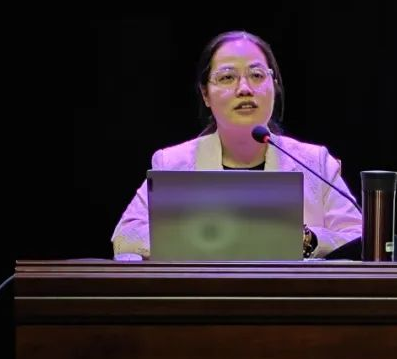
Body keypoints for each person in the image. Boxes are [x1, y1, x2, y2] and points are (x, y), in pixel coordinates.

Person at [111, 31, 362, 259]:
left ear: (274, 86)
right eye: (227, 77)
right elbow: (125, 237)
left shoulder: (314, 162)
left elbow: (360, 237)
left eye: (257, 75)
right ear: (205, 94)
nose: (244, 89)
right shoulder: (173, 163)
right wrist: (198, 238)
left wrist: (306, 239)